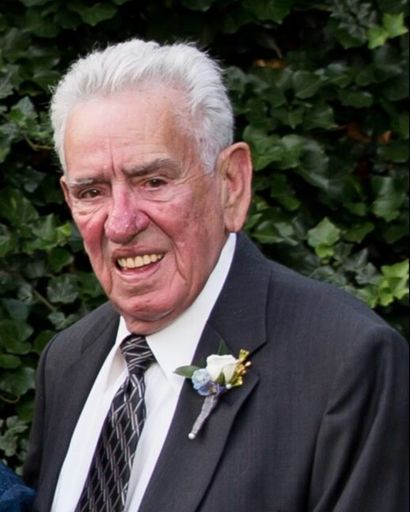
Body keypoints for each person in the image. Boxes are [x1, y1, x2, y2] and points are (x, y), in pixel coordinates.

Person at [24, 38, 408, 512]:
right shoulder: (67, 361)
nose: (120, 224)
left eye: (153, 182)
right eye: (92, 192)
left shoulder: (345, 363)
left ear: (231, 183)